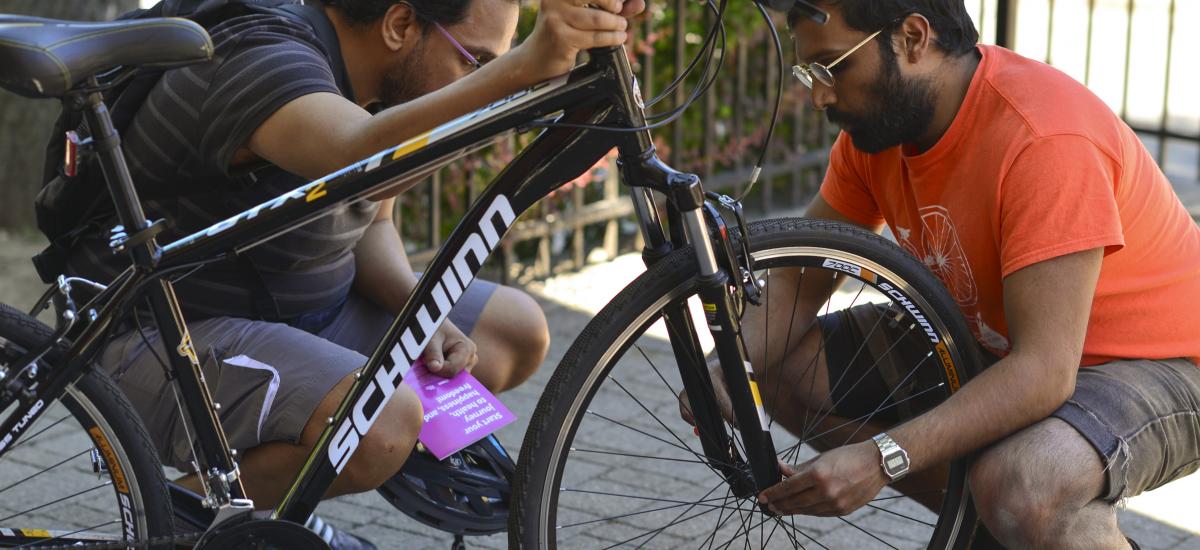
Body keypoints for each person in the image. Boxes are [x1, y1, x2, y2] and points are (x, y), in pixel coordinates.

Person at [64, 0, 643, 546]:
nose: (480, 82)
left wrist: (417, 307)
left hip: (303, 318)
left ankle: (273, 497)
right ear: (398, 24)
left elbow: (372, 221)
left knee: (513, 330)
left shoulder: (379, 81)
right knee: (378, 422)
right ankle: (177, 522)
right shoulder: (263, 55)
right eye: (476, 61)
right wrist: (520, 70)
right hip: (165, 339)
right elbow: (358, 156)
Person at [696, 1, 1200, 548]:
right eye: (809, 72)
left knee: (1026, 484)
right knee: (781, 368)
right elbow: (795, 285)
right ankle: (995, 533)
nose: (819, 95)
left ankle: (1020, 518)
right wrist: (729, 365)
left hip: (1159, 360)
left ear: (913, 38)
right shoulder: (879, 135)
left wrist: (880, 458)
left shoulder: (1043, 139)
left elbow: (1045, 372)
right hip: (1000, 345)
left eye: (834, 67)